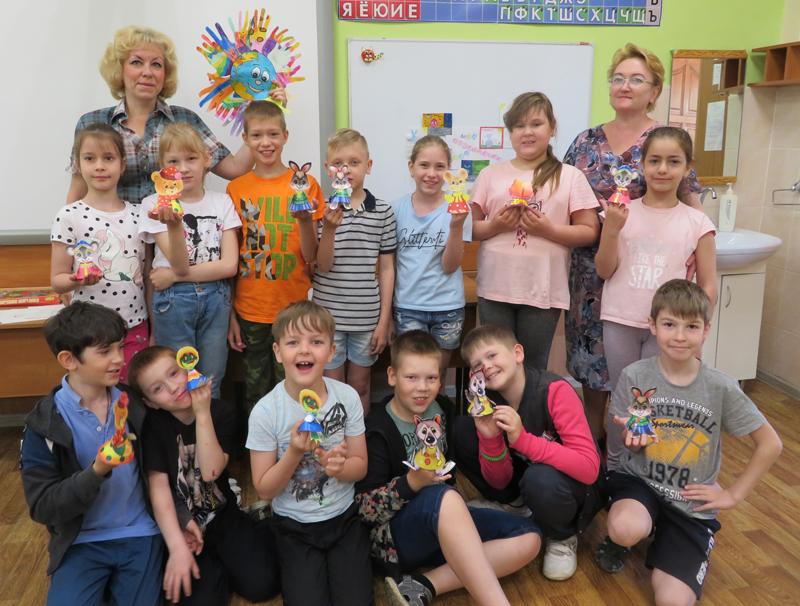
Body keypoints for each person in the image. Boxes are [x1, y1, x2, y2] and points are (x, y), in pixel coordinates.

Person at [598, 279, 782, 605]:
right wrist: (634, 439)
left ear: (706, 330)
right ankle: (626, 538)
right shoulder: (635, 376)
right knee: (625, 528)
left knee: (673, 601)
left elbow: (771, 444)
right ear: (653, 325)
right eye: (669, 324)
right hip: (640, 483)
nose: (680, 336)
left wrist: (733, 495)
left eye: (691, 326)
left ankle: (669, 541)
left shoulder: (721, 387)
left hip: (690, 504)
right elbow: (632, 445)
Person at [563, 43, 705, 442]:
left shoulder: (665, 140)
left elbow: (692, 204)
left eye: (636, 79)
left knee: (644, 381)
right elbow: (562, 199)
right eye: (618, 78)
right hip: (589, 277)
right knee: (592, 373)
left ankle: (637, 458)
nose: (625, 86)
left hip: (645, 276)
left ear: (654, 91)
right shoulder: (585, 141)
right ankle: (594, 457)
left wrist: (699, 249)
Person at [355, 330, 541, 606]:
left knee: (529, 537)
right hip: (398, 538)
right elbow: (364, 510)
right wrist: (411, 483)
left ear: (440, 378)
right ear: (392, 376)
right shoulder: (376, 429)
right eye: (411, 377)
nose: (422, 387)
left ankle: (423, 585)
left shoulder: (442, 408)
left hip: (446, 524)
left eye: (431, 378)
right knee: (445, 497)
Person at [20, 302, 162, 606]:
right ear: (69, 359)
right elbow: (43, 507)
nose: (118, 359)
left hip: (140, 532)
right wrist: (96, 471)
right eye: (104, 351)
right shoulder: (43, 424)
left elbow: (162, 472)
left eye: (120, 347)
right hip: (80, 541)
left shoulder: (135, 404)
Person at [596, 126, 717, 471]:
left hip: (669, 330)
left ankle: (656, 471)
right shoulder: (620, 213)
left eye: (673, 161)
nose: (662, 169)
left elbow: (708, 285)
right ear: (641, 164)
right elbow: (604, 270)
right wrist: (612, 229)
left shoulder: (698, 222)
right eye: (654, 161)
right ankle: (616, 471)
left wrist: (695, 330)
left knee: (662, 402)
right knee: (625, 400)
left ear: (688, 167)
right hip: (621, 320)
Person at [128, 346, 280, 605]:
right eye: (158, 388)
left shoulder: (221, 412)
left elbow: (211, 472)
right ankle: (218, 568)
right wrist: (176, 544)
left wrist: (202, 413)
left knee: (263, 586)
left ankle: (259, 524)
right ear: (150, 402)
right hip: (184, 527)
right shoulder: (152, 426)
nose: (173, 387)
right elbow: (158, 488)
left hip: (224, 517)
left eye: (174, 373)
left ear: (188, 367)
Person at [67, 26, 284, 206]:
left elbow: (235, 169)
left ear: (166, 73)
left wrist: (263, 111)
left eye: (156, 64)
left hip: (176, 237)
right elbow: (78, 191)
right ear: (119, 69)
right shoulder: (93, 124)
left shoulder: (185, 120)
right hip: (115, 237)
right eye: (136, 62)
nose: (147, 72)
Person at [453, 324, 604, 582]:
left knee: (539, 478)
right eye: (477, 364)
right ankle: (516, 505)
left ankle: (562, 536)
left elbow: (589, 470)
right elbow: (499, 481)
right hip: (531, 474)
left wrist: (523, 440)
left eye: (492, 355)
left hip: (579, 487)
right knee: (462, 429)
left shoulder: (555, 391)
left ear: (518, 353)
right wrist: (490, 439)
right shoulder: (488, 400)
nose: (486, 366)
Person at [247, 300, 373, 606]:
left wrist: (338, 467)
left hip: (344, 519)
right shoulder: (265, 412)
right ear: (278, 352)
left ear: (331, 352)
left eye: (316, 342)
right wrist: (293, 452)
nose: (304, 350)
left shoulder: (347, 397)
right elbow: (264, 489)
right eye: (293, 342)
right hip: (293, 526)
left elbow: (360, 466)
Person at [470, 92, 600, 371]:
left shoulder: (569, 176)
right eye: (519, 125)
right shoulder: (490, 175)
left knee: (532, 369)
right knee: (494, 369)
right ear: (510, 132)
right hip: (495, 287)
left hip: (543, 290)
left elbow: (589, 231)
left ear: (552, 128)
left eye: (536, 124)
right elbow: (470, 229)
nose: (527, 132)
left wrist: (548, 229)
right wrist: (496, 226)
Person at [226, 100, 325, 412]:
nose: (265, 142)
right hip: (250, 310)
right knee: (256, 393)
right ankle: (260, 443)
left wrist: (305, 220)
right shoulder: (235, 189)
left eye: (272, 134)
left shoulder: (306, 185)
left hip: (293, 310)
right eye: (256, 135)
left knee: (296, 392)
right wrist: (231, 315)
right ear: (245, 139)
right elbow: (232, 257)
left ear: (285, 136)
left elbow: (311, 255)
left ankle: (297, 441)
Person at [138, 123, 241, 398]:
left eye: (191, 158)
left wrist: (172, 275)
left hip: (216, 298)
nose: (183, 169)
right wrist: (174, 226)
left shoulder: (222, 202)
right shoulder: (154, 205)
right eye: (173, 162)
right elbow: (181, 265)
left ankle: (208, 426)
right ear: (162, 167)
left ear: (207, 159)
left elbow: (229, 266)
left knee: (211, 380)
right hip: (174, 302)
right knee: (178, 382)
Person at [51, 123, 148, 382]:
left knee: (134, 394)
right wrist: (76, 280)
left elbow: (147, 276)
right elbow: (57, 280)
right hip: (89, 333)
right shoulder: (69, 216)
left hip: (135, 325)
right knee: (98, 394)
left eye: (108, 158)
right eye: (90, 158)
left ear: (123, 164)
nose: (100, 166)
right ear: (77, 164)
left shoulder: (139, 215)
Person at [314, 128, 397, 412]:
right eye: (338, 164)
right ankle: (334, 437)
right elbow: (322, 265)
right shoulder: (322, 210)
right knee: (331, 387)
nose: (345, 169)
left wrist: (383, 321)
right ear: (328, 169)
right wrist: (329, 228)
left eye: (354, 162)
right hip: (328, 317)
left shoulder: (383, 211)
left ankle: (360, 436)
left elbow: (387, 269)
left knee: (360, 386)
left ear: (368, 166)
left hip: (366, 318)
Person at [391, 135, 472, 384]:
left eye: (439, 167)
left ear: (448, 172)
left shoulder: (460, 210)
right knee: (412, 375)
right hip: (408, 307)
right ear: (411, 167)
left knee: (438, 375)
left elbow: (450, 266)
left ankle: (436, 412)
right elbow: (389, 266)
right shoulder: (395, 210)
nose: (431, 174)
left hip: (448, 308)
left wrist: (456, 227)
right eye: (424, 165)